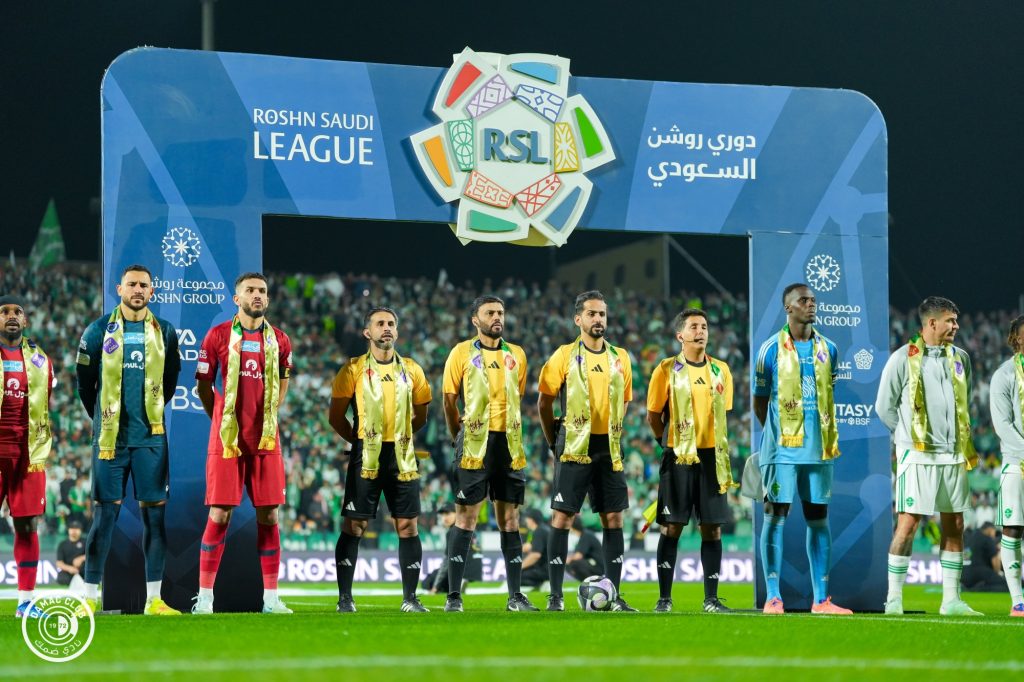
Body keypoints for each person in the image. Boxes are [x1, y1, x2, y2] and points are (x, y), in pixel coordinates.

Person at [76, 264, 181, 615]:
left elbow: (169, 381)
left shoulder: (165, 332)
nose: (138, 290)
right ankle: (89, 598)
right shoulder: (96, 331)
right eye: (131, 284)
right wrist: (104, 422)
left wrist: (149, 415)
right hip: (111, 442)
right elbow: (85, 385)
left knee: (155, 520)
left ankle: (154, 600)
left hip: (151, 440)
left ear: (152, 291)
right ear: (119, 289)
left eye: (143, 285)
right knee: (103, 519)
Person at [192, 272, 293, 615]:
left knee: (270, 514)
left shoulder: (280, 340)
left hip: (265, 438)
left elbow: (283, 380)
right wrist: (221, 419)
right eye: (250, 290)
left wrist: (270, 414)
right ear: (237, 299)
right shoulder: (218, 335)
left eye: (262, 290)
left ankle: (271, 599)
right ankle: (205, 598)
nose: (257, 295)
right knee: (220, 514)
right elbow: (203, 385)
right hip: (228, 439)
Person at [876, 295, 981, 615]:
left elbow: (964, 402)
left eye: (956, 320)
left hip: (953, 455)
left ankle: (951, 600)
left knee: (955, 523)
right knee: (908, 524)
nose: (956, 326)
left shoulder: (961, 358)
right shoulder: (901, 358)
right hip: (918, 455)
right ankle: (894, 598)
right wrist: (907, 437)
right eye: (951, 320)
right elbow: (883, 407)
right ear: (932, 323)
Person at [753, 283, 851, 615]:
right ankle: (773, 597)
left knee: (818, 519)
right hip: (781, 450)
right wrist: (777, 436)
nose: (811, 305)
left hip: (819, 450)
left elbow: (829, 391)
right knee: (775, 515)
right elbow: (759, 401)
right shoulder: (769, 350)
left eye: (813, 300)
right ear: (788, 308)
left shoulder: (830, 349)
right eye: (804, 300)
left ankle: (821, 600)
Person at [329, 306, 432, 613]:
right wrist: (360, 442)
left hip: (402, 456)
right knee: (354, 525)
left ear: (396, 331)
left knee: (408, 526)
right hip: (366, 454)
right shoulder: (352, 370)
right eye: (380, 324)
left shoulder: (412, 370)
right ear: (367, 332)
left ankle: (410, 599)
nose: (386, 328)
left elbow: (421, 415)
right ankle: (345, 599)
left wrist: (400, 437)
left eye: (391, 324)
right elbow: (336, 417)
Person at [537, 290, 635, 611]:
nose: (598, 319)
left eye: (602, 314)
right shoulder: (563, 355)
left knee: (613, 518)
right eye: (592, 314)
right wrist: (554, 439)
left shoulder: (620, 357)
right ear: (578, 319)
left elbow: (625, 401)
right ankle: (555, 596)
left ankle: (614, 595)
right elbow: (544, 401)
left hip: (609, 446)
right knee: (563, 516)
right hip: (574, 444)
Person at [441, 295, 537, 612]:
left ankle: (515, 596)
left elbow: (517, 394)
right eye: (490, 313)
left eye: (500, 313)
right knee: (466, 517)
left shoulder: (517, 354)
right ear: (475, 320)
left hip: (508, 444)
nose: (497, 317)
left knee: (510, 519)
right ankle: (454, 596)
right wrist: (459, 435)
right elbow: (449, 400)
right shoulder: (460, 353)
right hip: (474, 443)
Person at [646, 308, 735, 613]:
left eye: (704, 327)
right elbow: (653, 416)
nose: (701, 332)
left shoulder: (721, 370)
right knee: (672, 527)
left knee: (712, 528)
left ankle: (711, 599)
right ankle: (664, 599)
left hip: (712, 458)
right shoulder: (665, 369)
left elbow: (722, 416)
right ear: (680, 335)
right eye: (694, 327)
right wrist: (668, 443)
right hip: (678, 455)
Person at [0, 295, 55, 617]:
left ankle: (26, 601)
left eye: (17, 312)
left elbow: (44, 403)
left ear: (25, 320)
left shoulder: (40, 359)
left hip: (28, 453)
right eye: (4, 311)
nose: (11, 316)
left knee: (27, 523)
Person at [989, 314, 1024, 614]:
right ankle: (1017, 600)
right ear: (1017, 339)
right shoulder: (1005, 375)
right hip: (1017, 464)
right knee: (1013, 530)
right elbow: (1003, 425)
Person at [423, 503, 483, 594]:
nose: (444, 518)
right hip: (475, 571)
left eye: (448, 514)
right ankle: (460, 582)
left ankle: (456, 583)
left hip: (461, 570)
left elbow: (446, 562)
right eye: (442, 515)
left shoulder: (452, 531)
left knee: (427, 582)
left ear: (457, 514)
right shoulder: (470, 528)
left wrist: (435, 587)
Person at [962, 522, 1005, 592]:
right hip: (978, 572)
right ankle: (979, 588)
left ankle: (970, 587)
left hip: (963, 574)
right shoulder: (987, 538)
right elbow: (995, 560)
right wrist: (997, 575)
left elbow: (966, 556)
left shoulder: (969, 537)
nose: (994, 535)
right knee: (1004, 584)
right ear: (990, 529)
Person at [520, 508, 550, 589]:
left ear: (531, 519)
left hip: (544, 569)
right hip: (551, 568)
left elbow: (535, 555)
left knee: (515, 576)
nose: (526, 521)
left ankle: (543, 584)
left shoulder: (538, 532)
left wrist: (519, 567)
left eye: (527, 518)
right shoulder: (544, 529)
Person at [566, 516, 603, 581]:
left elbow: (578, 556)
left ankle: (591, 582)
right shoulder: (584, 534)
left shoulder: (586, 535)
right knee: (569, 565)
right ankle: (586, 582)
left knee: (575, 563)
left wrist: (568, 559)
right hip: (592, 563)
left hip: (598, 565)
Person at [55, 519, 87, 592]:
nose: (74, 531)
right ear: (68, 530)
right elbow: (59, 563)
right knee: (61, 577)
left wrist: (81, 558)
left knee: (88, 572)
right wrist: (70, 568)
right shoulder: (62, 544)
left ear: (81, 530)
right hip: (69, 571)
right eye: (72, 528)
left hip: (83, 570)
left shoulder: (86, 542)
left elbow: (92, 555)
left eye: (77, 528)